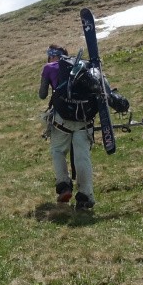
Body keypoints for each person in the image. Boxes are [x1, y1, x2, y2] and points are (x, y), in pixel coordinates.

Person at [38, 44, 97, 211]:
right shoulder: (82, 65)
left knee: (57, 151)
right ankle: (85, 196)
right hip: (84, 119)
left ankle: (64, 185)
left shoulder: (49, 67)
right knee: (82, 157)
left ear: (52, 55)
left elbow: (42, 95)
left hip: (61, 120)